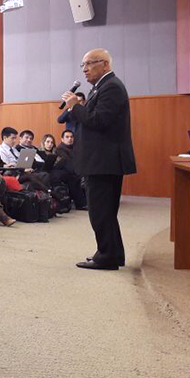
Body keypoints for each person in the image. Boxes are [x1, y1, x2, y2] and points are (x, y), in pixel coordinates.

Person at [61, 48, 136, 270]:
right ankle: (111, 253)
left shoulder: (111, 86)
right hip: (103, 160)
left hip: (104, 161)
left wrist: (75, 106)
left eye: (89, 63)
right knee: (104, 211)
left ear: (104, 64)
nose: (84, 69)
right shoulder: (101, 87)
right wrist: (79, 107)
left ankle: (107, 256)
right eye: (82, 65)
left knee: (101, 211)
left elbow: (99, 120)